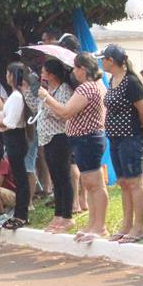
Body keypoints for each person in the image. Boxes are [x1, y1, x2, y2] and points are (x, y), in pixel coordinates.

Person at [42, 53, 109, 242]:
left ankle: (99, 226)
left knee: (94, 184)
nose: (73, 72)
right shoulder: (97, 85)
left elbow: (65, 112)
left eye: (76, 69)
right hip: (87, 139)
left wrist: (46, 97)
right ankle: (94, 224)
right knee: (90, 184)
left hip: (87, 139)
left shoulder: (87, 88)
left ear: (83, 69)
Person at [99, 44, 143, 243]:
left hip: (131, 137)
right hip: (115, 138)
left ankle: (138, 226)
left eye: (103, 58)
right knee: (123, 182)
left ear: (111, 61)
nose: (101, 62)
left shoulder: (130, 82)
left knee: (134, 182)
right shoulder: (113, 80)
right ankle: (127, 224)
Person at [27, 59, 75, 233]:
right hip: (46, 138)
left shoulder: (64, 90)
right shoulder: (48, 91)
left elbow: (63, 113)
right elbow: (37, 110)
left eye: (44, 71)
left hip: (60, 137)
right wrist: (29, 92)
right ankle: (58, 214)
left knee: (63, 177)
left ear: (52, 74)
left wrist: (47, 100)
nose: (41, 74)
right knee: (55, 177)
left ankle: (67, 216)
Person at [0, 64, 30, 230]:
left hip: (15, 138)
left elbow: (10, 122)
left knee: (21, 178)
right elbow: (6, 114)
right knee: (19, 176)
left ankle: (21, 214)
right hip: (11, 138)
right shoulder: (14, 96)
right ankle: (19, 213)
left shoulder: (17, 96)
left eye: (8, 73)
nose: (6, 75)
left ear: (13, 75)